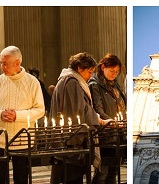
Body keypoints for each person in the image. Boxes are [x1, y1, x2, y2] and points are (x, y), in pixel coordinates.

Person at [0, 46, 45, 184]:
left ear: (17, 63)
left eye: (5, 63)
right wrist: (0, 114)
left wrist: (17, 116)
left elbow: (40, 110)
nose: (2, 67)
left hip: (22, 140)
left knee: (21, 179)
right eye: (1, 63)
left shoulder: (32, 82)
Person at [50, 52, 109, 184]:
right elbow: (80, 109)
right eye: (89, 72)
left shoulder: (68, 80)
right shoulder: (72, 82)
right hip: (71, 141)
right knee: (71, 178)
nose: (90, 76)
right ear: (79, 68)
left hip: (67, 139)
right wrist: (99, 120)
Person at [88, 54, 127, 184]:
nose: (114, 74)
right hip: (104, 133)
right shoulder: (95, 85)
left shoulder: (116, 86)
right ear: (103, 67)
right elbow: (97, 109)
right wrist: (112, 122)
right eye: (111, 71)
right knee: (102, 171)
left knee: (113, 172)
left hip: (117, 134)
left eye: (116, 72)